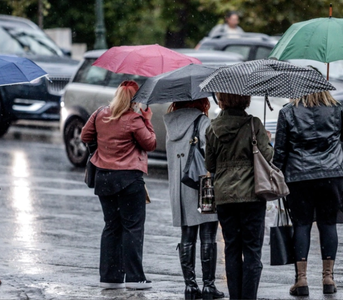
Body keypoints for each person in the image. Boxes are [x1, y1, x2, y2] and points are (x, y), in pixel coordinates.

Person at [273, 91, 343, 296]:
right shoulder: (336, 108)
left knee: (302, 225)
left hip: (300, 177)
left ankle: (301, 281)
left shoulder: (288, 112)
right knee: (328, 224)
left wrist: (275, 175)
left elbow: (280, 150)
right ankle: (328, 278)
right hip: (331, 175)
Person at [81, 80, 156, 290]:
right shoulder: (134, 119)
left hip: (103, 177)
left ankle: (109, 276)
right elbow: (150, 143)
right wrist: (147, 120)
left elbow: (84, 135)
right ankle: (135, 278)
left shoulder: (99, 113)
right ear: (135, 100)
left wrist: (104, 144)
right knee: (132, 227)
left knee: (111, 226)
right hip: (129, 179)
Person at [205, 93, 274, 300]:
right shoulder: (254, 124)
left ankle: (235, 296)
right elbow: (268, 157)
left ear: (222, 100)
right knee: (252, 250)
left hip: (225, 196)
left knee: (232, 248)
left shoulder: (213, 128)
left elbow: (210, 165)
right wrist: (266, 140)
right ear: (246, 100)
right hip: (253, 194)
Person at [163, 98, 224, 300]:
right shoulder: (202, 122)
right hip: (202, 184)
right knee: (208, 236)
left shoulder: (170, 123)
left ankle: (190, 286)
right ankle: (208, 286)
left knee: (187, 236)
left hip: (180, 187)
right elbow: (213, 153)